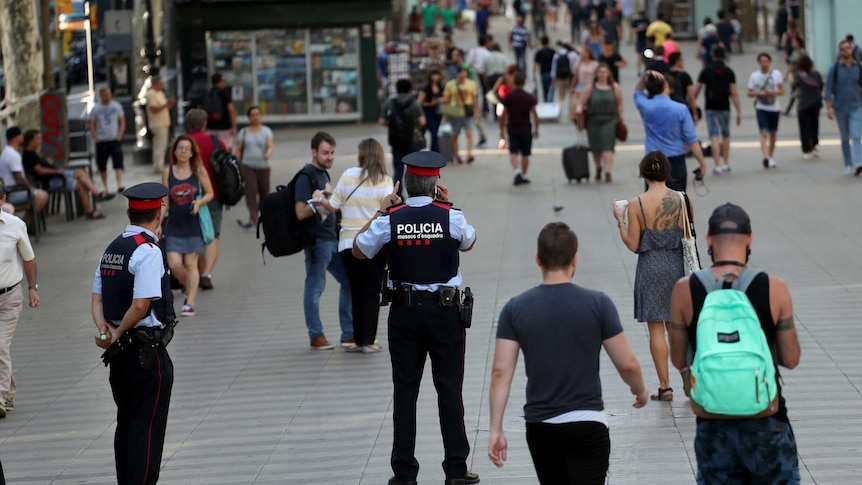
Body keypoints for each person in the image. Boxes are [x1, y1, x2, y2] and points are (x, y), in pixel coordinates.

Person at [353, 151, 478, 485]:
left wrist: (382, 209)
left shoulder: (390, 218)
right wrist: (449, 206)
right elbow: (469, 242)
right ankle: (455, 470)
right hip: (445, 312)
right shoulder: (450, 216)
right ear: (435, 183)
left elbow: (358, 250)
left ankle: (405, 472)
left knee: (405, 391)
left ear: (406, 184)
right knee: (449, 389)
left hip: (405, 313)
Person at [488, 222, 648, 483]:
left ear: (538, 259)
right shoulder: (598, 304)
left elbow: (500, 373)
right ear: (575, 259)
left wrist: (496, 429)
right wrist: (639, 390)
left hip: (541, 425)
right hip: (587, 422)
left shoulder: (515, 309)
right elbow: (627, 364)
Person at [668, 203, 801, 484]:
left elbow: (679, 360)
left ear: (708, 240)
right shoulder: (775, 287)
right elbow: (790, 359)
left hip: (713, 423)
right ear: (750, 239)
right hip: (767, 420)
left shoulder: (684, 290)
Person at [92, 182, 174, 484]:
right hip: (146, 355)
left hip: (120, 356)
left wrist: (106, 330)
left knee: (126, 425)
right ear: (159, 212)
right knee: (146, 431)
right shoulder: (148, 250)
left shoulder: (113, 248)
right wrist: (120, 330)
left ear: (129, 212)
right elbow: (141, 305)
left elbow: (97, 298)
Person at [612, 151, 691, 402]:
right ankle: (690, 378)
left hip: (651, 266)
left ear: (644, 173)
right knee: (677, 327)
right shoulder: (682, 199)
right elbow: (689, 236)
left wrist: (620, 222)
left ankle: (665, 387)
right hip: (677, 266)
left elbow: (634, 244)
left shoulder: (636, 204)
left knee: (656, 329)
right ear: (668, 172)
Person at [317, 139, 393, 354]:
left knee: (356, 290)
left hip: (348, 243)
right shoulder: (385, 181)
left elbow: (332, 207)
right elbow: (388, 213)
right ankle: (369, 340)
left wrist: (321, 197)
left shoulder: (349, 175)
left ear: (361, 155)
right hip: (374, 244)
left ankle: (357, 339)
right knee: (371, 291)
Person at [294, 132, 353, 350]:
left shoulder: (323, 174)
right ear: (314, 152)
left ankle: (349, 334)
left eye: (332, 153)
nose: (330, 157)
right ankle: (316, 335)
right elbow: (300, 212)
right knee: (315, 286)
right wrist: (321, 201)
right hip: (317, 241)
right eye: (325, 153)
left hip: (332, 239)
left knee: (348, 281)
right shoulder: (305, 176)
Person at [161, 135, 214, 317]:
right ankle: (189, 285)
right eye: (180, 148)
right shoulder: (168, 172)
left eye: (186, 149)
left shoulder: (198, 170)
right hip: (174, 225)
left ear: (192, 153)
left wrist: (199, 203)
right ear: (174, 151)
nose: (183, 151)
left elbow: (210, 193)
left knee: (191, 264)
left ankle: (190, 302)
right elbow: (165, 200)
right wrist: (159, 222)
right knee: (175, 265)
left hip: (193, 225)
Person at [0, 178, 39, 419]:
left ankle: (1, 397)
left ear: (2, 200)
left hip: (9, 296)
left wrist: (33, 287)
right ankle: (9, 390)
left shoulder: (15, 225)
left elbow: (29, 258)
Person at [634, 71, 707, 192]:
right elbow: (692, 140)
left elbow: (637, 92)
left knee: (653, 199)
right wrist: (702, 163)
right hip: (675, 159)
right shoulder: (680, 109)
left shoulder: (645, 106)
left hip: (653, 158)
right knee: (676, 200)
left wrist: (645, 75)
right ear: (666, 86)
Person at [21, 129, 112, 219]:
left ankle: (94, 201)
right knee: (80, 181)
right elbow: (39, 170)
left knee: (81, 173)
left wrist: (50, 164)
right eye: (37, 139)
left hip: (56, 176)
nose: (39, 142)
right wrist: (57, 171)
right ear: (30, 141)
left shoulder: (33, 153)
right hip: (50, 181)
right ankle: (95, 200)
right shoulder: (29, 155)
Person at [185, 109, 226, 291]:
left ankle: (198, 272)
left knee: (197, 236)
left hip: (188, 198)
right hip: (214, 195)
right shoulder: (215, 141)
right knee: (212, 236)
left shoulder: (182, 144)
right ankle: (206, 274)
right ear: (204, 124)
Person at [693, 46, 742, 174]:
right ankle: (726, 163)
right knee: (726, 135)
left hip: (710, 107)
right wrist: (739, 112)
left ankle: (717, 165)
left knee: (714, 136)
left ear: (713, 56)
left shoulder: (706, 70)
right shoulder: (729, 71)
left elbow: (696, 90)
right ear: (724, 56)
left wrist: (692, 105)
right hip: (725, 107)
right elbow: (734, 93)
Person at [576, 63, 623, 183]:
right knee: (595, 147)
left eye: (604, 72)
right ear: (596, 74)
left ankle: (608, 171)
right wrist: (579, 109)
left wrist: (621, 118)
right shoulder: (590, 87)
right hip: (593, 120)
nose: (602, 74)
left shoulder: (615, 87)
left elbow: (619, 103)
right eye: (600, 72)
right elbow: (581, 102)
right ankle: (598, 167)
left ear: (608, 74)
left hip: (610, 119)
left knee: (607, 146)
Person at [380, 79, 426, 195]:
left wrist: (393, 125)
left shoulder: (390, 103)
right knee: (415, 169)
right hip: (412, 140)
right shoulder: (413, 103)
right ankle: (416, 193)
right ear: (409, 90)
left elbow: (381, 121)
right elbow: (422, 121)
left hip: (396, 140)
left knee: (398, 170)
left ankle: (397, 194)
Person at [824, 39, 862, 175]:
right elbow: (828, 89)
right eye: (842, 49)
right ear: (840, 52)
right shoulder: (834, 69)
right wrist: (829, 107)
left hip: (856, 106)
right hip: (840, 107)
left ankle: (858, 162)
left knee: (856, 135)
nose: (845, 50)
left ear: (852, 50)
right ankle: (848, 163)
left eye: (847, 48)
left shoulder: (859, 67)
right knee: (845, 137)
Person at [235, 106, 273, 229]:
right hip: (248, 165)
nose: (255, 117)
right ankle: (253, 216)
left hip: (263, 166)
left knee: (264, 191)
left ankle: (263, 214)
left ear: (260, 116)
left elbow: (270, 145)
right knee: (250, 190)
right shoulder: (244, 132)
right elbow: (239, 149)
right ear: (249, 117)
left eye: (257, 114)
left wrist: (268, 154)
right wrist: (236, 162)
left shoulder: (266, 131)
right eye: (252, 115)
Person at [499, 73, 539, 186]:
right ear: (524, 83)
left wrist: (501, 128)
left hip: (513, 127)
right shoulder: (529, 97)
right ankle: (524, 175)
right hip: (526, 127)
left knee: (513, 151)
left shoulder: (509, 97)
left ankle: (517, 171)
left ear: (514, 83)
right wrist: (537, 128)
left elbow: (503, 114)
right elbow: (535, 114)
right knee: (526, 153)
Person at [747, 53, 784, 169]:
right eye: (762, 61)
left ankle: (771, 156)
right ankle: (766, 156)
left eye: (766, 61)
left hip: (774, 107)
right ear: (759, 63)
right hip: (761, 107)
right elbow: (749, 92)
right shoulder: (754, 76)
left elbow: (782, 90)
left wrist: (773, 92)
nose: (764, 64)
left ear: (770, 62)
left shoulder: (776, 74)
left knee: (773, 133)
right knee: (763, 132)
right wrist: (759, 93)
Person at [0, 127, 49, 216]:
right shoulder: (13, 155)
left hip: (9, 191)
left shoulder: (6, 152)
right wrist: (32, 189)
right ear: (18, 138)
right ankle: (25, 224)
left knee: (40, 193)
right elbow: (19, 178)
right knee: (42, 196)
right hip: (12, 192)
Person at [89, 87, 126, 189]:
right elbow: (91, 123)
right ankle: (105, 186)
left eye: (109, 94)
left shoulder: (116, 106)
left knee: (118, 162)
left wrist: (120, 135)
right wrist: (95, 137)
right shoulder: (96, 108)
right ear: (101, 95)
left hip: (114, 138)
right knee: (102, 164)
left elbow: (122, 121)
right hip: (102, 139)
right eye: (105, 94)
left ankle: (120, 183)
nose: (107, 96)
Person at [442, 66, 480, 164]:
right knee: (455, 134)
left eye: (464, 73)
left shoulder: (471, 84)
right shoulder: (450, 85)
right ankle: (457, 155)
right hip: (454, 112)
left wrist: (477, 112)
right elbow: (447, 99)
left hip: (467, 111)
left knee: (469, 133)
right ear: (457, 74)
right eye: (461, 73)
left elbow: (475, 98)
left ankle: (469, 154)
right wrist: (446, 113)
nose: (463, 75)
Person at [794, 55, 823, 160]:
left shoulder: (799, 76)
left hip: (803, 104)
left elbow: (795, 86)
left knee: (804, 127)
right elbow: (820, 87)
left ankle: (806, 149)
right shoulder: (817, 75)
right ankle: (814, 145)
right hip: (816, 103)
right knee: (814, 125)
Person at [146, 76, 175, 175]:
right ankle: (158, 166)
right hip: (157, 124)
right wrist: (166, 104)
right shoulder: (151, 94)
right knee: (159, 145)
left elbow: (165, 107)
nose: (162, 85)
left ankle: (160, 165)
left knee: (162, 145)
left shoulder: (160, 93)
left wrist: (170, 103)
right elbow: (154, 108)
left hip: (164, 122)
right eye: (160, 83)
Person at [204, 73, 237, 150]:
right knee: (226, 147)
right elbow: (231, 110)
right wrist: (234, 126)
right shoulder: (224, 94)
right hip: (224, 127)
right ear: (221, 81)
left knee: (212, 148)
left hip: (210, 127)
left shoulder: (207, 94)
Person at [550, 42, 579, 119]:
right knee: (572, 96)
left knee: (560, 97)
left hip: (560, 78)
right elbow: (576, 68)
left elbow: (554, 68)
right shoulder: (574, 54)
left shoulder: (557, 55)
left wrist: (553, 80)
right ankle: (571, 115)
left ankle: (558, 114)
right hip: (571, 78)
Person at [419, 70, 445, 154]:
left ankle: (434, 151)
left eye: (436, 75)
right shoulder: (426, 89)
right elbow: (419, 102)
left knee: (436, 132)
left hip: (438, 113)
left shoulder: (441, 88)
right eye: (433, 76)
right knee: (434, 133)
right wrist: (430, 103)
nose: (435, 78)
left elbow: (446, 98)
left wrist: (440, 100)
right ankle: (435, 152)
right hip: (428, 113)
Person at [667, 52, 697, 122]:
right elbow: (691, 96)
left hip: (668, 107)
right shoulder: (685, 76)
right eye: (682, 60)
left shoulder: (665, 75)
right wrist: (695, 113)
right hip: (681, 106)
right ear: (678, 61)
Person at [533, 35, 556, 103]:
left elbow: (535, 64)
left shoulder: (539, 52)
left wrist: (534, 74)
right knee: (552, 89)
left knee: (545, 89)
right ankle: (551, 102)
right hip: (552, 73)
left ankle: (546, 102)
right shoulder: (553, 51)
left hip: (543, 73)